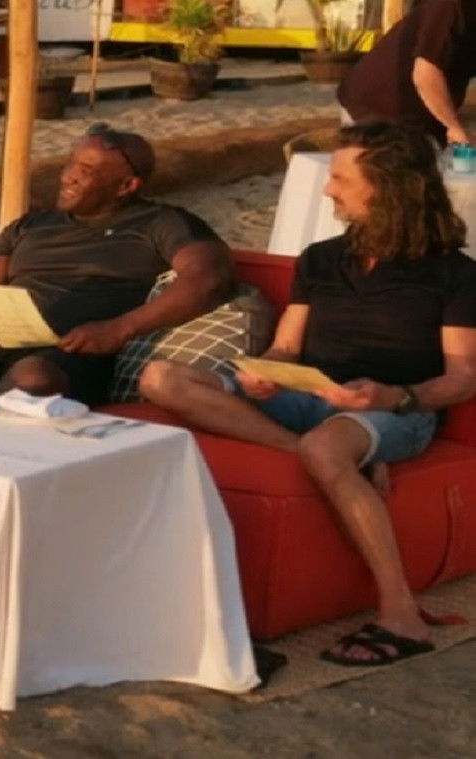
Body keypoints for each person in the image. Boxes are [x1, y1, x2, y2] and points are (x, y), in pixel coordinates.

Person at [140, 122, 476, 666]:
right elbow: (286, 347)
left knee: (328, 445)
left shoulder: (455, 274)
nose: (327, 189)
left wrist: (396, 398)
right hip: (307, 397)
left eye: (341, 178)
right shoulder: (321, 258)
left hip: (397, 410)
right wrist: (267, 372)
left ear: (389, 187)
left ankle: (402, 614)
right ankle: (320, 453)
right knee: (161, 379)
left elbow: (463, 378)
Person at [0, 123, 234, 406]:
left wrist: (119, 329)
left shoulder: (160, 223)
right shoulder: (32, 225)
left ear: (126, 186)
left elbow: (208, 278)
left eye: (86, 171)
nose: (68, 177)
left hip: (73, 353)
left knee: (33, 381)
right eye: (70, 164)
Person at [337, 0, 474, 146]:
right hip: (378, 109)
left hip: (419, 117)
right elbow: (426, 74)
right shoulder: (448, 6)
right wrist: (454, 126)